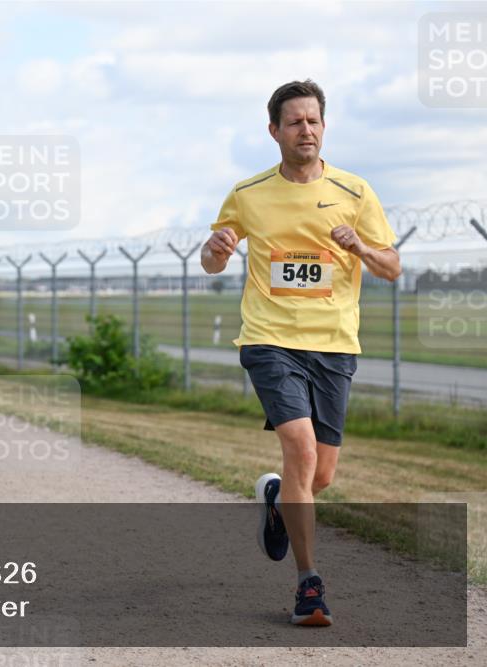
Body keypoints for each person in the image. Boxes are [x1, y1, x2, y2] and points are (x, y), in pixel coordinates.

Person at [202, 80, 400, 627]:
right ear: (275, 132)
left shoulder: (355, 192)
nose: (305, 130)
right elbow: (213, 260)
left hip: (333, 344)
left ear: (323, 126)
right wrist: (214, 250)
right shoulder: (248, 193)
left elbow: (391, 266)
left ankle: (276, 503)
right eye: (294, 122)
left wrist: (359, 246)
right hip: (268, 338)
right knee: (301, 446)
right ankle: (308, 585)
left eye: (313, 120)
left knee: (320, 476)